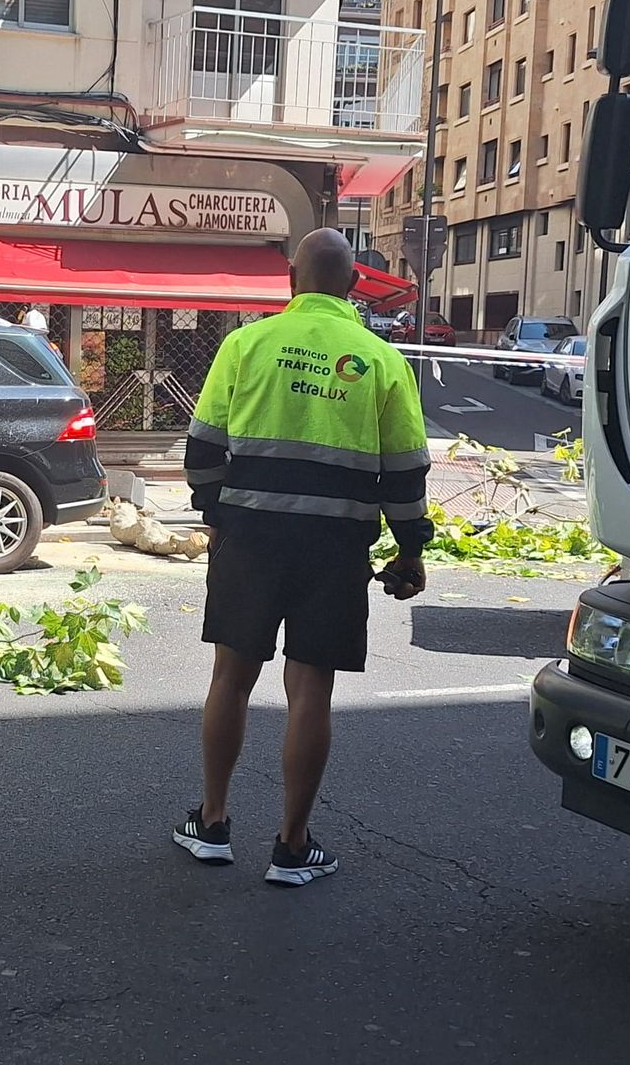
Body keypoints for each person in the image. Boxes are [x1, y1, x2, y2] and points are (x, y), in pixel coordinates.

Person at [173, 228, 431, 887]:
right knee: (310, 687)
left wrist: (220, 522)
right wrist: (408, 551)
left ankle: (212, 822)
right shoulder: (379, 360)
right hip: (335, 546)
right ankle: (291, 846)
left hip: (251, 540)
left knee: (231, 677)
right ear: (352, 286)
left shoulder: (245, 345)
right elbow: (405, 473)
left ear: (291, 280)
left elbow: (201, 452)